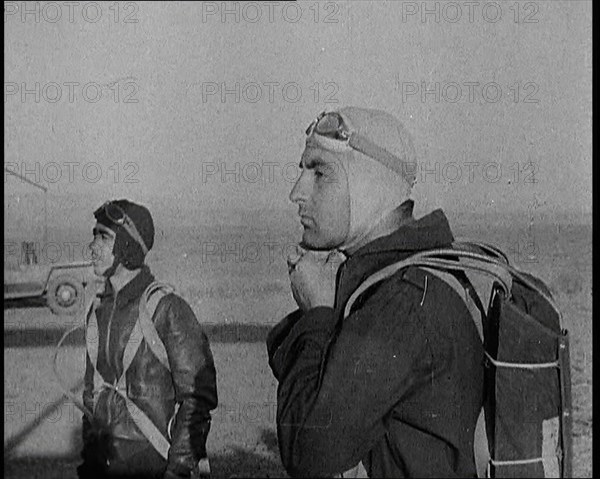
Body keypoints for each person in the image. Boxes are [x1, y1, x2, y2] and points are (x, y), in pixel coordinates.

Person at [266, 107, 485, 477]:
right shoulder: (404, 280)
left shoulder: (400, 303)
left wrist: (317, 315)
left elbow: (307, 450)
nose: (296, 193)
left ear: (368, 186)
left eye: (320, 173)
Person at [78, 199, 218, 479]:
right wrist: (90, 461)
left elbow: (197, 399)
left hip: (154, 466)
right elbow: (92, 395)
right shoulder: (97, 311)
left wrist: (178, 470)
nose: (93, 247)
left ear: (127, 246)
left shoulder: (166, 308)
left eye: (104, 237)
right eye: (94, 236)